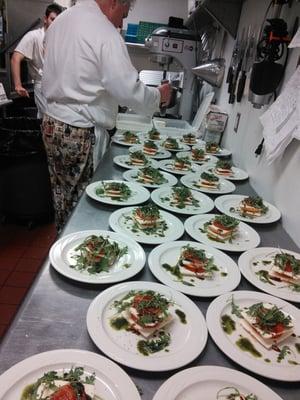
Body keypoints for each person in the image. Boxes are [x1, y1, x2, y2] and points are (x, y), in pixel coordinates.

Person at [42, 0, 171, 232]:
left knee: (63, 199)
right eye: (125, 11)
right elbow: (127, 89)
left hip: (52, 124)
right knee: (84, 205)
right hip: (78, 131)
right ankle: (76, 254)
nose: (122, 21)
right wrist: (158, 96)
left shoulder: (61, 21)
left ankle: (63, 243)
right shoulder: (104, 31)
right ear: (114, 2)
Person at [11, 3, 63, 118]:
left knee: (51, 118)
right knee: (48, 117)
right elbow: (16, 57)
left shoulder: (59, 38)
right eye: (52, 19)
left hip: (58, 85)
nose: (55, 23)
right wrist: (18, 85)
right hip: (42, 84)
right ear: (45, 19)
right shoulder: (34, 36)